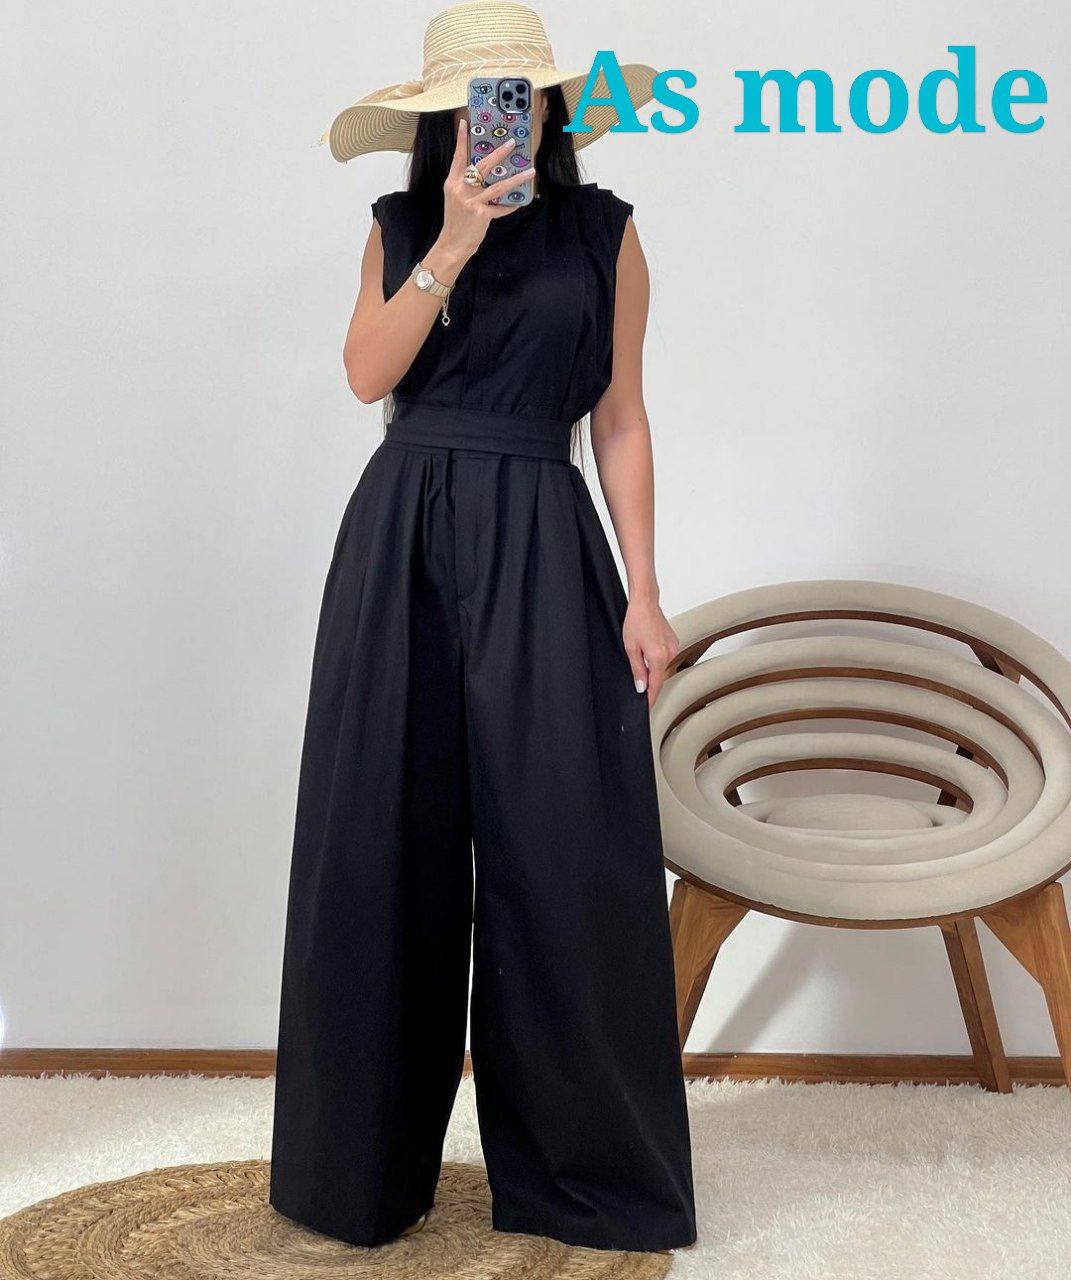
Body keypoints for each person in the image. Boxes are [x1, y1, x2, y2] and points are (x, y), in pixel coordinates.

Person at [269, 0, 697, 1255]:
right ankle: (358, 1177)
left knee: (565, 850)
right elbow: (368, 373)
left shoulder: (605, 232)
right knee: (378, 844)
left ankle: (587, 1182)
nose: (496, 122)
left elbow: (620, 417)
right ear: (443, 121)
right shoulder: (402, 225)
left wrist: (646, 588)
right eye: (473, 106)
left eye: (516, 98)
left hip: (544, 535)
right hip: (401, 540)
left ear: (548, 108)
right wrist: (453, 238)